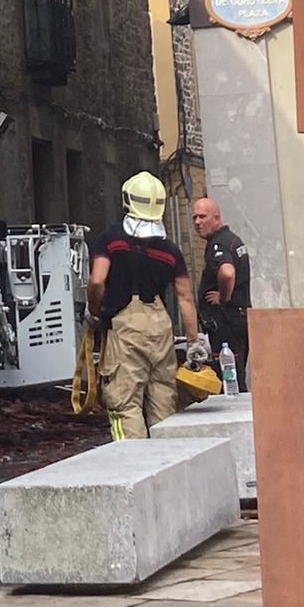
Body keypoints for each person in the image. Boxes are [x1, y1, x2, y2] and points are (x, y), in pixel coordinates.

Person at [87, 171, 205, 439]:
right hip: (160, 326)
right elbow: (185, 297)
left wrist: (94, 313)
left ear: (128, 200)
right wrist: (193, 341)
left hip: (125, 327)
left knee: (124, 403)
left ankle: (134, 468)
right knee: (163, 402)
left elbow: (97, 280)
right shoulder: (169, 250)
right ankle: (166, 467)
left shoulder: (111, 240)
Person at [193, 197, 251, 392]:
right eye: (194, 218)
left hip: (227, 323)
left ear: (216, 218)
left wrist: (223, 298)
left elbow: (227, 272)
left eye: (202, 217)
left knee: (230, 380)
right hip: (238, 319)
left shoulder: (220, 244)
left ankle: (236, 418)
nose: (197, 222)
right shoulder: (233, 240)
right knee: (236, 375)